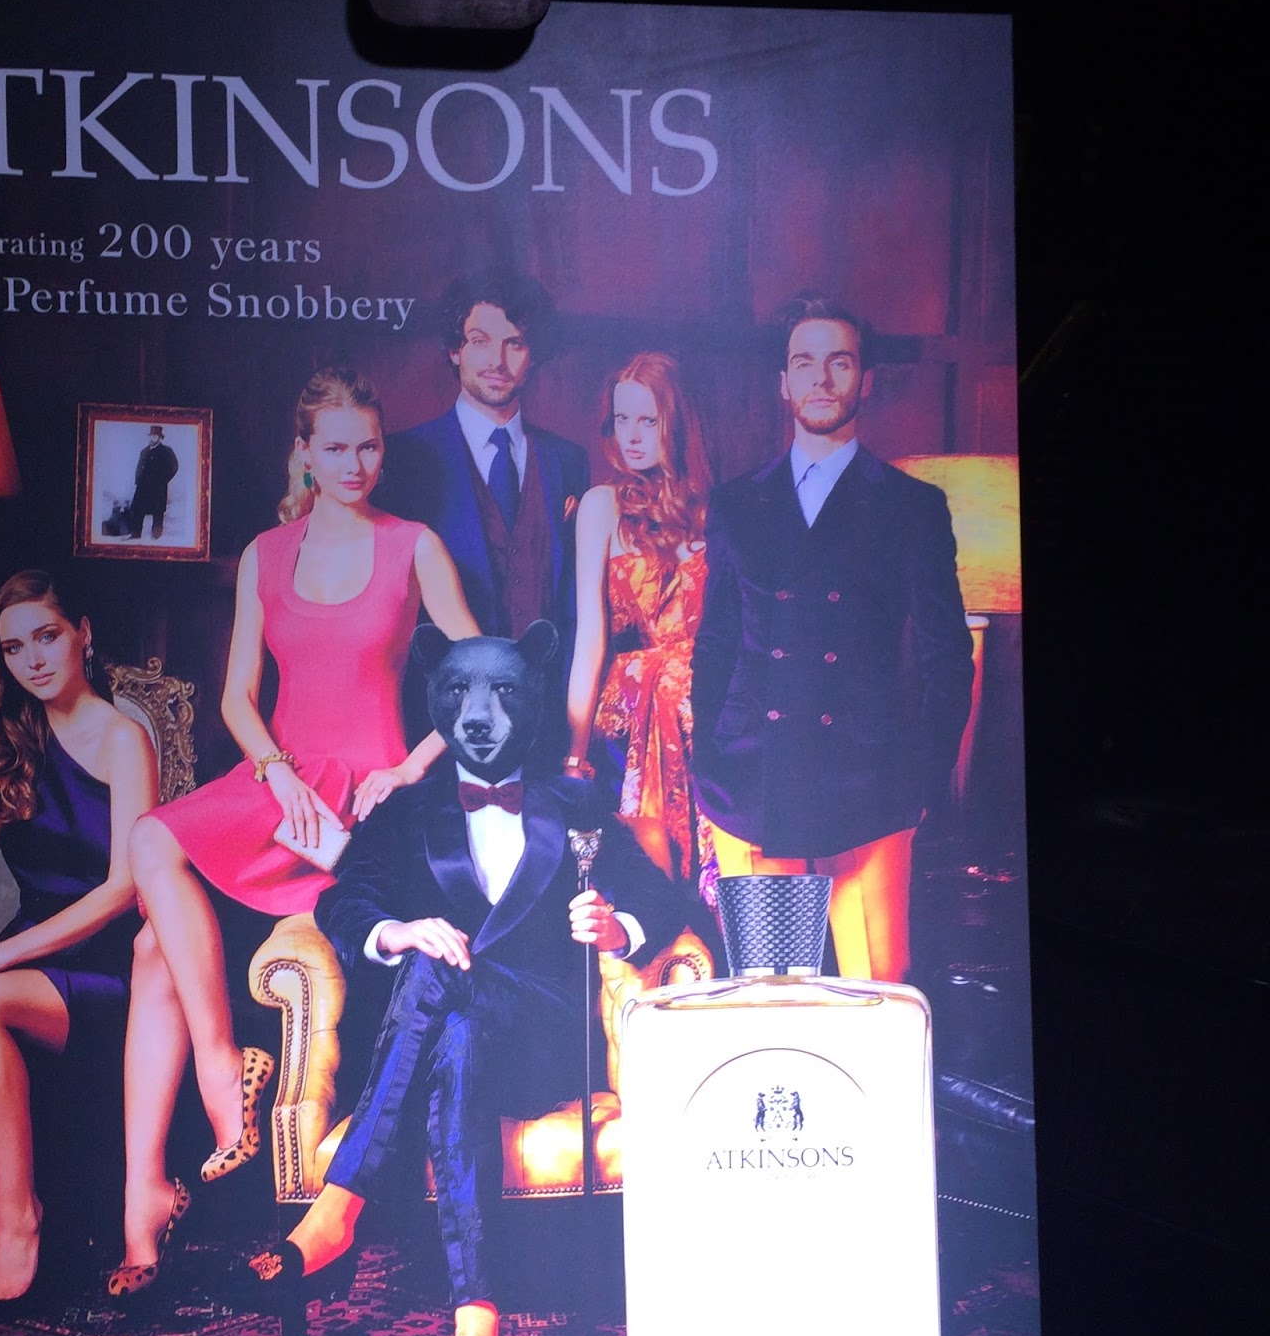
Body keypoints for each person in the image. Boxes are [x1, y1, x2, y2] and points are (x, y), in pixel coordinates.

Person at [234, 624, 686, 1336]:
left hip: (545, 1042)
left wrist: (618, 929)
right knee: (452, 1017)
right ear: (437, 698)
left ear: (533, 696)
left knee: (440, 985)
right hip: (455, 1043)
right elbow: (342, 901)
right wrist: (399, 931)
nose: (480, 711)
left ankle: (337, 1212)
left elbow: (660, 896)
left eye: (503, 691)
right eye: (462, 691)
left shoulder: (576, 805)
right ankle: (477, 1329)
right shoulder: (408, 810)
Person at [107, 367, 480, 1297]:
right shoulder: (266, 554)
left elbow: (482, 679)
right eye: (336, 447)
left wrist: (407, 770)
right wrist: (274, 772)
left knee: (153, 946)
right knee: (152, 848)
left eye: (370, 446)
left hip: (366, 801)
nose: (356, 464)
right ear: (304, 451)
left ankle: (151, 1200)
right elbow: (238, 697)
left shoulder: (414, 545)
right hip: (280, 784)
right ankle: (219, 1077)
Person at [690, 295, 975, 983]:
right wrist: (709, 761)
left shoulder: (913, 506)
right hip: (752, 780)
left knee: (879, 996)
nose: (820, 379)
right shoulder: (735, 503)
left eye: (839, 363)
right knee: (769, 992)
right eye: (804, 363)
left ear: (865, 380)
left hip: (871, 786)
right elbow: (715, 643)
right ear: (782, 383)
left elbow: (947, 658)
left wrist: (920, 780)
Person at [0, 570, 158, 1304]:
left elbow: (123, 889)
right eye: (14, 648)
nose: (34, 660)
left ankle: (20, 1219)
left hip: (105, 964)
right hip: (26, 958)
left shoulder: (123, 739)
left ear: (83, 634)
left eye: (47, 637)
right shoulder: (8, 742)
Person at [376, 269, 589, 768]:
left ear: (534, 354)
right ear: (454, 349)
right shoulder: (404, 460)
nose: (497, 360)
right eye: (479, 340)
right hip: (436, 733)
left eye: (516, 343)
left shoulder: (568, 462)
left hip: (547, 732)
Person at [565, 351, 714, 886]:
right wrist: (573, 753)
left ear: (677, 422)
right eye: (621, 418)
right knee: (642, 873)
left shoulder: (716, 509)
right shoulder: (601, 505)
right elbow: (590, 637)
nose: (630, 435)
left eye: (647, 420)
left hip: (705, 716)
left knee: (715, 870)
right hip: (628, 721)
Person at [128, 424, 179, 540]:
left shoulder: (166, 451)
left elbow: (174, 467)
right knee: (137, 510)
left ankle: (156, 536)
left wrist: (162, 480)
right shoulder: (144, 451)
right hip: (143, 487)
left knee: (158, 511)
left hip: (158, 488)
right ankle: (135, 534)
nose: (152, 438)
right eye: (151, 436)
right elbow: (139, 467)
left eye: (155, 436)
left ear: (160, 438)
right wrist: (138, 480)